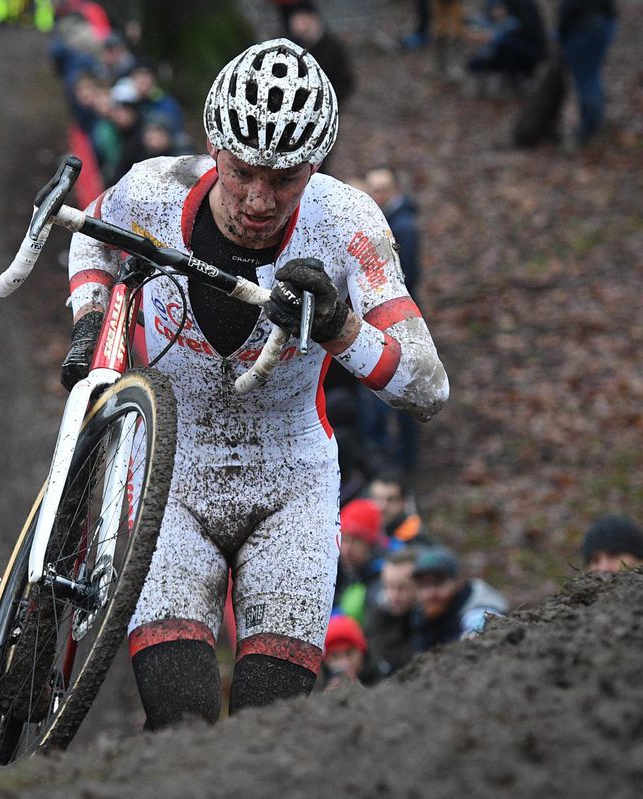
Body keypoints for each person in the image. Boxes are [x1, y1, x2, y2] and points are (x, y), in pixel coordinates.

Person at [62, 38, 449, 728]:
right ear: (214, 144)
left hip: (291, 488)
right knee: (180, 720)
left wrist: (339, 327)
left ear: (316, 167)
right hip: (167, 484)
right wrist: (92, 320)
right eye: (242, 172)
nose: (260, 199)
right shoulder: (153, 189)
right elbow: (89, 236)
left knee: (268, 727)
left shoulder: (348, 222)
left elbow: (427, 386)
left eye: (286, 179)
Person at [357, 168, 422, 473]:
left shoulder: (402, 227)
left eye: (382, 187)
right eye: (373, 188)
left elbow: (406, 275)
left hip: (394, 319)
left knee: (398, 385)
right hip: (381, 319)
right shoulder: (384, 222)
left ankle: (401, 460)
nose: (377, 194)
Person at [410, 546, 507, 652]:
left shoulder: (479, 607)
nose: (430, 593)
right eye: (424, 585)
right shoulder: (421, 610)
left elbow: (481, 624)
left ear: (458, 581)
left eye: (438, 583)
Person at [558, 0, 617, 146]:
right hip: (602, 23)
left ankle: (590, 128)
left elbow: (568, 9)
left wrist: (562, 34)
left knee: (586, 79)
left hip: (583, 28)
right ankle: (594, 124)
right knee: (591, 75)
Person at [363, 548, 417, 676]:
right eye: (388, 586)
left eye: (402, 587)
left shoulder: (429, 619)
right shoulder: (377, 617)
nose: (394, 596)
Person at [333, 498, 385, 623]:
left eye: (356, 540)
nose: (347, 549)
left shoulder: (383, 578)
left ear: (371, 545)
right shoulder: (339, 570)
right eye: (344, 539)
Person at [368, 469, 432, 547]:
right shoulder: (362, 533)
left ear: (404, 502)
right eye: (377, 499)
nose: (382, 506)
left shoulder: (414, 534)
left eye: (391, 500)